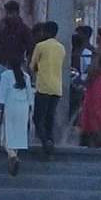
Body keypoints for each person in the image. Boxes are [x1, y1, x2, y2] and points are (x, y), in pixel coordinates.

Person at [0, 0, 33, 146]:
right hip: (3, 65)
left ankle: (15, 132)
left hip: (16, 68)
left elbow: (30, 48)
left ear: (16, 13)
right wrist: (0, 27)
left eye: (10, 13)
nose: (8, 16)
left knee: (17, 102)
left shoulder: (23, 29)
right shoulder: (3, 28)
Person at [31, 19, 65, 153]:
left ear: (45, 32)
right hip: (57, 87)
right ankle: (50, 139)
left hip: (43, 86)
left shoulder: (40, 46)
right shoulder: (61, 48)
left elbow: (32, 66)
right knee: (50, 116)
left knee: (38, 117)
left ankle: (45, 141)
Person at [0, 63, 34, 176]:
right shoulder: (26, 76)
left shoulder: (5, 75)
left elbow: (2, 96)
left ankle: (13, 156)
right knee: (18, 137)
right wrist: (30, 113)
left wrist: (0, 112)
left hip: (10, 107)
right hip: (23, 108)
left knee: (5, 138)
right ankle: (12, 161)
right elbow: (30, 96)